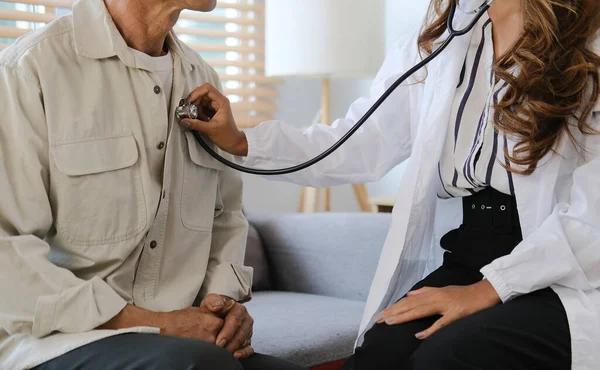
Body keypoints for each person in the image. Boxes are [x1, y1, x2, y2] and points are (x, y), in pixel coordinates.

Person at [181, 0, 600, 369]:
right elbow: (359, 141)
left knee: (449, 356)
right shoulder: (447, 35)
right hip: (473, 250)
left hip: (565, 267)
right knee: (381, 353)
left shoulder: (589, 38)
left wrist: (491, 287)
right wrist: (241, 141)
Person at [0, 0, 307, 369]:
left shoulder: (202, 76)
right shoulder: (30, 70)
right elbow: (7, 252)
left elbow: (226, 217)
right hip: (57, 342)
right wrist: (157, 324)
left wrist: (222, 304)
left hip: (182, 345)